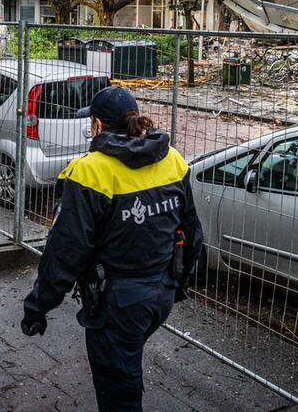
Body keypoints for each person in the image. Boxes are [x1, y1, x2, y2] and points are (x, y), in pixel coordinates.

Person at [20, 86, 204, 412]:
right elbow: (192, 231)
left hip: (118, 303)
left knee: (119, 391)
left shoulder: (90, 171)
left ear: (97, 125)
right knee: (126, 365)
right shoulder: (171, 158)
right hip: (161, 292)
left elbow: (65, 252)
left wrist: (38, 305)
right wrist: (179, 282)